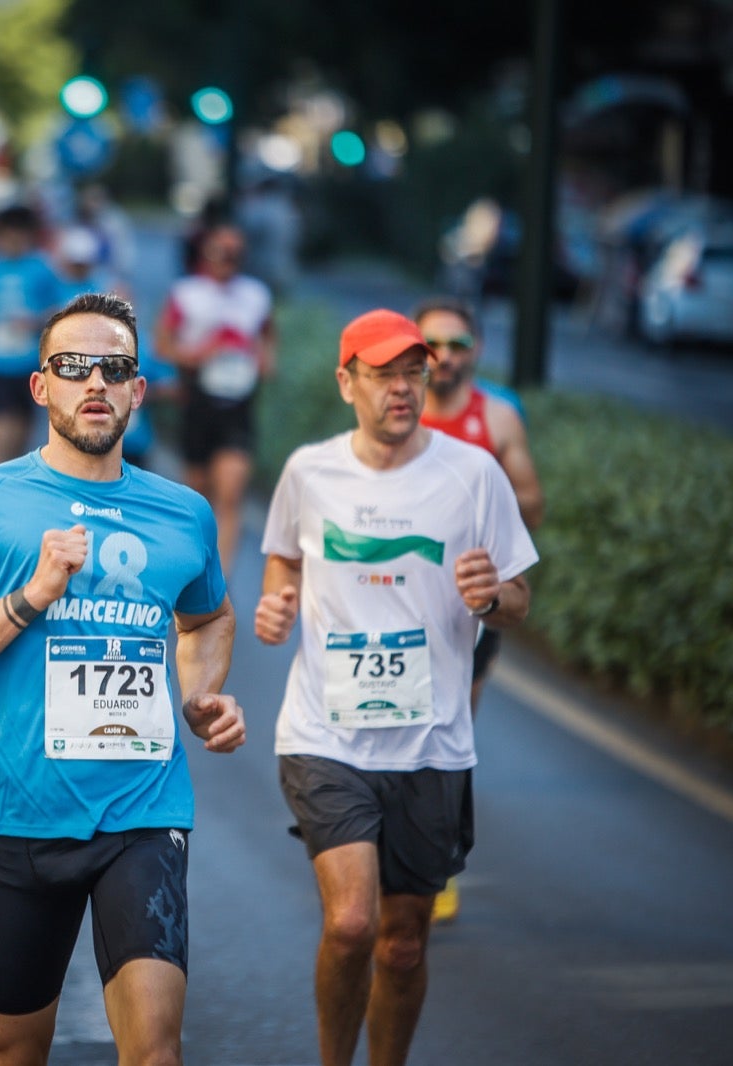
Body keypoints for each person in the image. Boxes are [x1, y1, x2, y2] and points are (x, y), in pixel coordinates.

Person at [0, 292, 246, 1066]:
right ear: (39, 386)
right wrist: (28, 598)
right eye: (73, 366)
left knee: (155, 1049)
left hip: (144, 814)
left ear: (138, 391)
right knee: (13, 1052)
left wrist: (199, 694)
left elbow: (210, 618)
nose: (96, 382)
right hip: (21, 818)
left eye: (115, 368)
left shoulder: (183, 514)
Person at [254, 309, 538, 1066]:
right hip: (325, 735)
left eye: (413, 371)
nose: (404, 387)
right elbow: (283, 559)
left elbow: (519, 597)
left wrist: (490, 597)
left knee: (404, 943)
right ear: (346, 382)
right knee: (351, 924)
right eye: (383, 374)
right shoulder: (309, 472)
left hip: (433, 743)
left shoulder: (473, 474)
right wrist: (277, 600)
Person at [412, 295, 544, 923]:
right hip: (395, 595)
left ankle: (436, 865)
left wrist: (480, 525)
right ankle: (372, 848)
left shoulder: (497, 417)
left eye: (458, 344)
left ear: (476, 351)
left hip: (469, 603)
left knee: (450, 727)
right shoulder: (396, 407)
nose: (445, 356)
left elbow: (530, 505)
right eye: (433, 344)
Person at [155, 223, 275, 577]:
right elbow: (162, 343)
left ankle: (219, 581)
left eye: (235, 254)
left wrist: (264, 360)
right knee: (197, 496)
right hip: (198, 400)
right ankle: (193, 570)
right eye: (221, 253)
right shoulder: (187, 293)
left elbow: (268, 337)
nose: (228, 261)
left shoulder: (256, 294)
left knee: (231, 491)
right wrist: (199, 353)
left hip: (239, 404)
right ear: (205, 254)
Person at [0, 205, 63, 467]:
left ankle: (9, 474)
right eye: (7, 235)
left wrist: (35, 320)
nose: (12, 241)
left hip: (26, 361)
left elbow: (58, 308)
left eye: (18, 235)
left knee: (19, 431)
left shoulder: (41, 268)